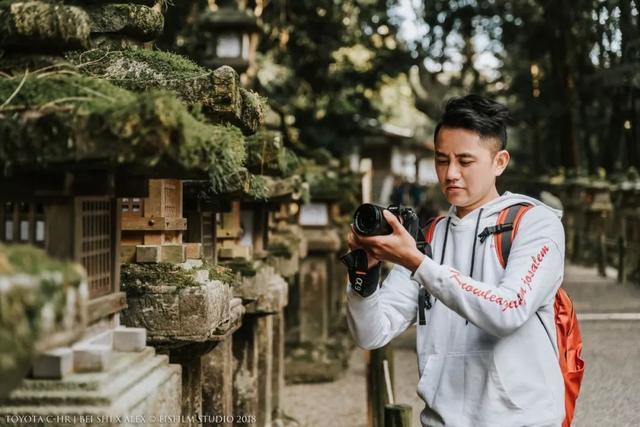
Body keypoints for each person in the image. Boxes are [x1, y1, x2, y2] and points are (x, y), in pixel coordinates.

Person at [345, 95, 565, 426]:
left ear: (499, 162)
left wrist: (419, 264)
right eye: (442, 160)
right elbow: (371, 334)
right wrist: (366, 277)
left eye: (465, 161)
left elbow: (509, 310)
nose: (451, 174)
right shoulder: (427, 238)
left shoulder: (535, 223)